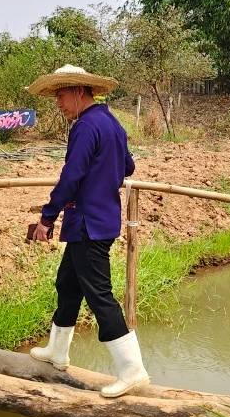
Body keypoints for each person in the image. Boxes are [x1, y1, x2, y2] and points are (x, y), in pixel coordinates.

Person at [25, 64, 149, 398]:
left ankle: (132, 371)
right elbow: (128, 166)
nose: (58, 104)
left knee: (99, 295)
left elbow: (71, 176)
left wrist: (47, 218)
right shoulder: (111, 124)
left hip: (88, 225)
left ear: (79, 91)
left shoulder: (85, 127)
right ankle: (58, 352)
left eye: (61, 96)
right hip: (101, 220)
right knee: (67, 283)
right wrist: (102, 180)